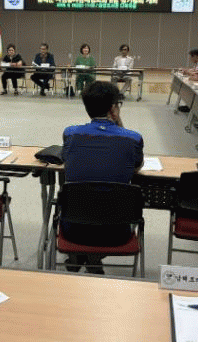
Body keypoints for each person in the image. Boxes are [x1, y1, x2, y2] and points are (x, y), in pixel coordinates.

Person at [62, 81, 144, 273]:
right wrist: (119, 122)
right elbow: (137, 167)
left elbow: (67, 162)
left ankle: (82, 256)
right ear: (113, 108)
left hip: (74, 230)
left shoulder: (70, 134)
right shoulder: (133, 138)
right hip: (116, 232)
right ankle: (93, 258)